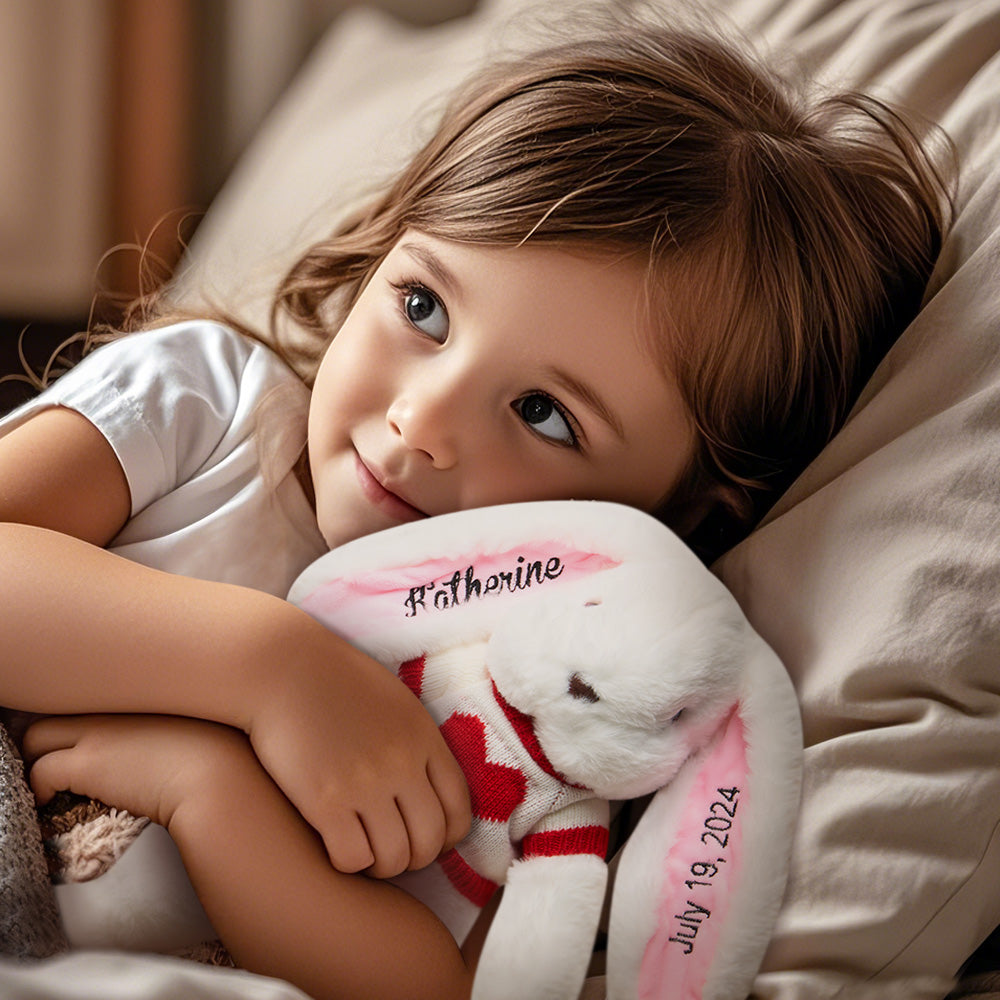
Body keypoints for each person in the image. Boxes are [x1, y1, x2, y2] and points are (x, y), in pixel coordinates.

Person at [0, 7, 952, 999]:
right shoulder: (209, 407)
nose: (420, 421)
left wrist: (207, 792)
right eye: (424, 307)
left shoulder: (539, 694)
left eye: (543, 414)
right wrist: (272, 667)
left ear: (685, 516)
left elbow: (429, 984)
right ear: (380, 248)